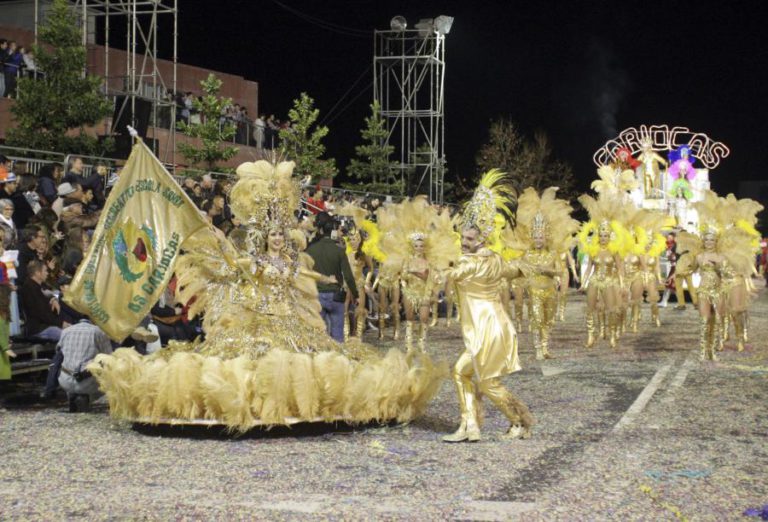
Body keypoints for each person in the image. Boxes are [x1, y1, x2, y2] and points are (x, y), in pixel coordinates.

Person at [87, 160, 443, 431]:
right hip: (254, 320)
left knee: (309, 360)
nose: (276, 239)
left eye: (280, 235)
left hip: (289, 321)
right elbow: (233, 264)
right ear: (264, 237)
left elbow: (304, 275)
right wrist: (217, 245)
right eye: (271, 235)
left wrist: (324, 276)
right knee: (247, 362)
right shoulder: (253, 260)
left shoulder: (289, 260)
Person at [443, 169, 533, 443]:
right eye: (463, 239)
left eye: (469, 240)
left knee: (487, 382)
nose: (464, 243)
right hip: (495, 326)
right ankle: (470, 426)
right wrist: (531, 266)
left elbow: (450, 273)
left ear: (481, 239)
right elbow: (514, 269)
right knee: (461, 372)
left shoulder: (468, 263)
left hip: (486, 330)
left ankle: (520, 421)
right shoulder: (494, 259)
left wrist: (434, 271)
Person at [578, 193, 628, 349]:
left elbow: (620, 269)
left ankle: (612, 335)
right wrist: (583, 283)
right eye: (602, 236)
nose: (604, 238)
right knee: (590, 309)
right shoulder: (593, 250)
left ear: (610, 237)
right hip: (594, 280)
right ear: (598, 237)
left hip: (609, 282)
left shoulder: (614, 251)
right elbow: (588, 269)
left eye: (606, 236)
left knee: (612, 310)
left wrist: (622, 285)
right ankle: (591, 336)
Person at [306, 216, 359, 342]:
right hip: (336, 296)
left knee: (319, 334)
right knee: (337, 335)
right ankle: (338, 359)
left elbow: (306, 273)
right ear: (333, 231)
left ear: (320, 230)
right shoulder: (339, 251)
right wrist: (355, 295)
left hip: (317, 295)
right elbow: (348, 276)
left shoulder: (310, 250)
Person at [57, 319, 114, 412]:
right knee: (107, 367)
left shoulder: (66, 331)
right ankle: (86, 397)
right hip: (87, 381)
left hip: (65, 380)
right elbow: (108, 357)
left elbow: (58, 351)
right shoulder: (98, 331)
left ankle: (73, 395)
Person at [19, 259, 62, 341]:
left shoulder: (40, 285)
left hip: (49, 324)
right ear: (38, 273)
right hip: (40, 328)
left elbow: (55, 291)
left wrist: (54, 299)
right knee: (67, 336)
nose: (47, 273)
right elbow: (41, 313)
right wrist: (61, 323)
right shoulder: (29, 288)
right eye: (45, 271)